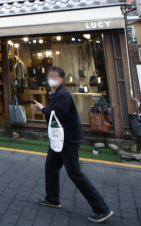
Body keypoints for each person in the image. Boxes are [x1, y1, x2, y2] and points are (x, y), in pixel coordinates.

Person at [32, 66, 113, 223]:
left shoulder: (63, 94)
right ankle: (52, 199)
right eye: (50, 75)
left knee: (75, 173)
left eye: (54, 76)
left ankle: (102, 209)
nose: (51, 78)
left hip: (68, 139)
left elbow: (57, 115)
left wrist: (42, 108)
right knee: (51, 165)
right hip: (59, 138)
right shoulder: (56, 93)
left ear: (61, 79)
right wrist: (42, 108)